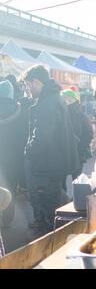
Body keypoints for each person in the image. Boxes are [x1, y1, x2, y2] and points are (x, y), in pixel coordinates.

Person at [22, 65, 80, 235]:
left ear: (36, 82)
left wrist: (28, 151)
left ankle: (56, 241)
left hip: (48, 164)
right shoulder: (55, 97)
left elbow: (41, 137)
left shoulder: (46, 103)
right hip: (57, 162)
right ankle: (64, 234)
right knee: (57, 202)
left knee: (51, 207)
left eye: (28, 85)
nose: (27, 89)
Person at [0, 80, 28, 227]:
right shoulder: (21, 111)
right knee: (9, 189)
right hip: (14, 159)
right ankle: (6, 219)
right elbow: (24, 136)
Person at [61, 89, 94, 179]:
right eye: (63, 99)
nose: (65, 101)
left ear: (73, 100)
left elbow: (89, 134)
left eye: (66, 99)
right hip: (62, 154)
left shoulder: (81, 116)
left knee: (77, 181)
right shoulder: (59, 114)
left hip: (78, 154)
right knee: (60, 183)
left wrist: (79, 147)